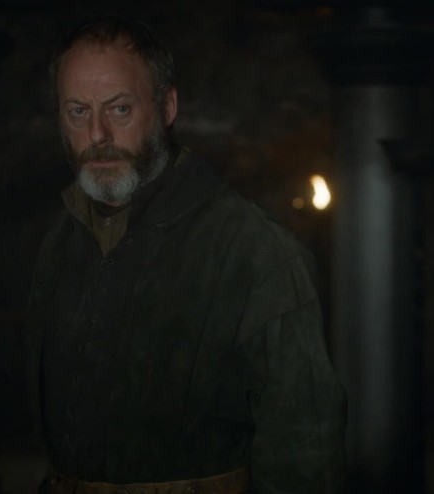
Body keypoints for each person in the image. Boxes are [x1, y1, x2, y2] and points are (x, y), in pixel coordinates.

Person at [24, 15, 346, 494]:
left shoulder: (253, 250)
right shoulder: (61, 240)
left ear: (167, 107)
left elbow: (306, 451)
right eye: (77, 111)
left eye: (120, 109)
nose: (97, 134)